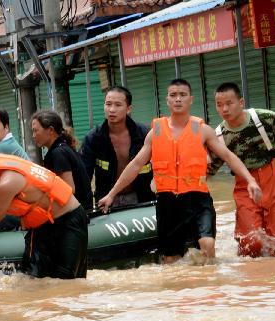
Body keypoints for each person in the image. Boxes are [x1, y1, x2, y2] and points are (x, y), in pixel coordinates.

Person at [97, 79, 263, 264]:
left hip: (198, 199)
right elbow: (135, 165)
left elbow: (229, 156)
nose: (178, 99)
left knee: (207, 243)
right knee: (171, 260)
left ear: (190, 99)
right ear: (167, 100)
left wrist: (251, 180)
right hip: (168, 202)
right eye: (173, 95)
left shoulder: (203, 131)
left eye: (182, 95)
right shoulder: (155, 133)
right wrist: (111, 194)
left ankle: (211, 285)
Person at [0, 134, 87, 279]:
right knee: (34, 278)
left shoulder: (6, 183)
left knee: (67, 282)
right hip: (42, 225)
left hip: (69, 220)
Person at [210, 82, 275, 257]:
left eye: (229, 103)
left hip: (273, 177)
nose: (224, 109)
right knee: (250, 240)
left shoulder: (266, 118)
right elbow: (208, 171)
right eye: (219, 105)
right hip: (244, 186)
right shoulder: (218, 136)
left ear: (241, 102)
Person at [80, 86, 155, 207]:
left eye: (118, 105)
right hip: (106, 201)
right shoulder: (93, 138)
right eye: (108, 104)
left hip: (142, 199)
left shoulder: (145, 134)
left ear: (128, 108)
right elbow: (83, 177)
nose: (112, 109)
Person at [31, 110, 94, 211]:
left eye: (36, 130)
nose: (33, 135)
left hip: (76, 215)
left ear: (51, 130)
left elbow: (69, 190)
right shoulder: (63, 148)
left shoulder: (58, 153)